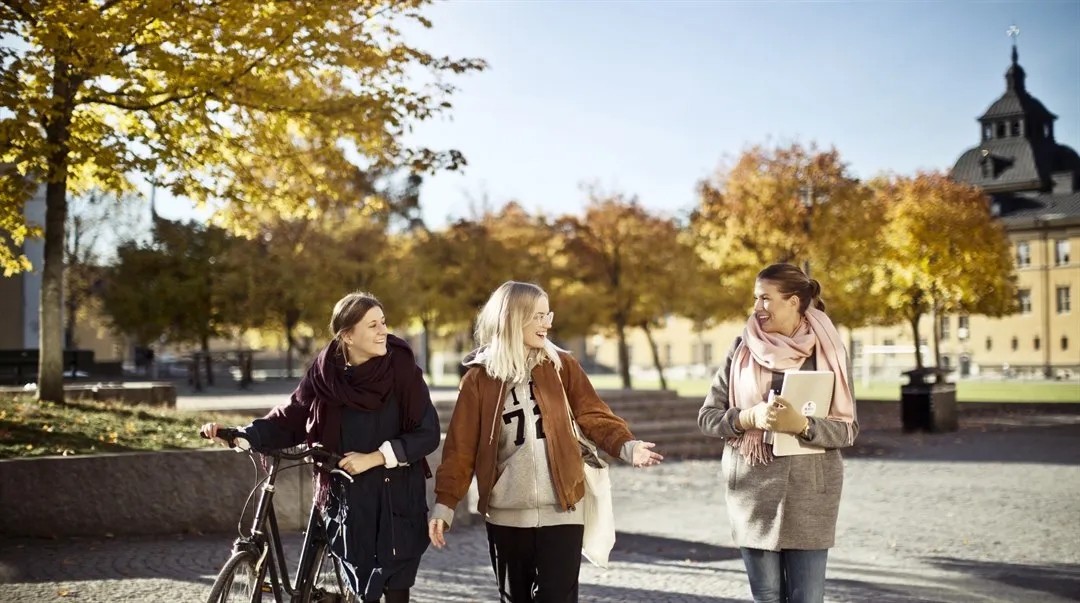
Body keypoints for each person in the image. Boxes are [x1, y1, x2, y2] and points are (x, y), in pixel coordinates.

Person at [428, 281, 664, 603]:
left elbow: (594, 414)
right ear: (513, 318)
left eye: (547, 315)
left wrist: (627, 446)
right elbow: (460, 447)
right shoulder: (478, 379)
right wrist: (445, 503)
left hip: (564, 509)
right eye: (539, 316)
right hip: (506, 515)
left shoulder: (562, 365)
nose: (548, 324)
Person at [201, 292, 440, 603]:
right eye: (372, 325)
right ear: (347, 336)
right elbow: (291, 416)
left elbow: (428, 432)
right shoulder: (325, 372)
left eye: (383, 322)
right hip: (348, 497)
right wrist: (241, 434)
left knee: (395, 589)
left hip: (396, 496)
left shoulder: (402, 369)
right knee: (361, 586)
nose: (383, 331)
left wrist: (375, 457)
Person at [698, 264, 857, 603]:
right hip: (752, 491)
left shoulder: (827, 352)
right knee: (767, 596)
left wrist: (803, 426)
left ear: (794, 301)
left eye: (766, 299)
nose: (757, 308)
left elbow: (847, 431)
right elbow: (708, 417)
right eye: (755, 298)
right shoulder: (741, 348)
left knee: (807, 597)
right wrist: (748, 417)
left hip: (811, 493)